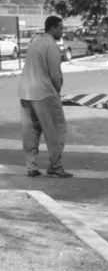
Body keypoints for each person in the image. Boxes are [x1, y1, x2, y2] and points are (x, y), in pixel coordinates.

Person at [18, 16, 73, 178]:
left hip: (26, 91)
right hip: (44, 92)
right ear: (53, 29)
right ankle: (55, 165)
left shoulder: (34, 43)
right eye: (61, 29)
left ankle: (31, 167)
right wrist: (56, 92)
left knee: (30, 130)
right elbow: (55, 75)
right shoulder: (51, 46)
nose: (62, 32)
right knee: (56, 129)